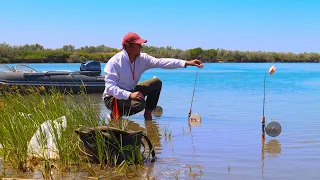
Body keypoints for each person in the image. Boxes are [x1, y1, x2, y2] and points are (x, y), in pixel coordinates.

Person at [103, 32, 204, 120]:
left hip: (130, 92)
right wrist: (130, 95)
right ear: (128, 46)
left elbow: (162, 62)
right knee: (140, 104)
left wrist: (187, 63)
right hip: (112, 98)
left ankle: (148, 115)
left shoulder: (142, 58)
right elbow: (110, 88)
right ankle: (115, 115)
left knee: (156, 83)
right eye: (138, 44)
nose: (141, 47)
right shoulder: (115, 62)